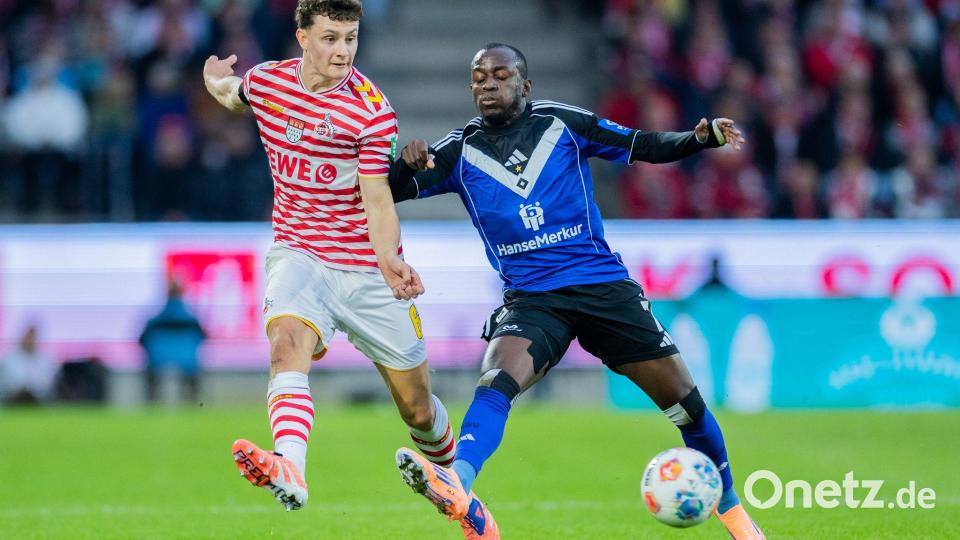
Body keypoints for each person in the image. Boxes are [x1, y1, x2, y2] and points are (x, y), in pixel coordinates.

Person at [388, 44, 764, 540]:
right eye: (478, 77)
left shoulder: (562, 124)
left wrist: (698, 138)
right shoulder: (457, 152)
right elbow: (388, 191)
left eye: (500, 75)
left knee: (685, 404)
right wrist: (405, 164)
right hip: (532, 299)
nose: (487, 84)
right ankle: (457, 483)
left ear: (525, 85)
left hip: (602, 287)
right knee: (496, 380)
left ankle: (737, 518)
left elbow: (641, 145)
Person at [201, 0, 456, 513]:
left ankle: (456, 488)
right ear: (302, 37)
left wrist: (388, 259)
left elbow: (377, 197)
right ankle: (290, 467)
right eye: (331, 38)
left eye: (351, 38)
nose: (343, 51)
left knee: (419, 411)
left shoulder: (370, 111)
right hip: (300, 253)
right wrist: (212, 76)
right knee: (285, 344)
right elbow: (233, 94)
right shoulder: (269, 82)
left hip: (365, 268)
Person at [139, 279, 206, 403]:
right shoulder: (192, 320)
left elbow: (142, 340)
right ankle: (193, 403)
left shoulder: (154, 320)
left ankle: (152, 403)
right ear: (182, 293)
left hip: (158, 358)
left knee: (151, 378)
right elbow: (203, 338)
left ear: (166, 293)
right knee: (193, 375)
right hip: (188, 358)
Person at [0, 324, 59, 404]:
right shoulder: (8, 358)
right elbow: (6, 383)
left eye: (32, 337)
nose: (29, 340)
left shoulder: (46, 360)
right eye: (28, 336)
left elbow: (46, 384)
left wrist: (31, 390)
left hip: (38, 401)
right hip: (11, 400)